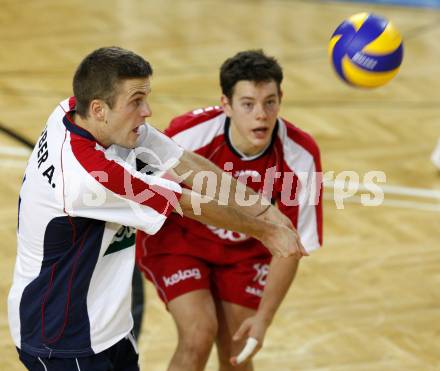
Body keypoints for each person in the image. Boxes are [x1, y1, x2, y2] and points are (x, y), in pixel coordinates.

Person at [7, 47, 306, 371]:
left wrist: (265, 211)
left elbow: (186, 163)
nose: (147, 111)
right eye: (136, 101)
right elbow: (186, 202)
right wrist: (266, 232)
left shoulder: (75, 112)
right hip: (63, 339)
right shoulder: (91, 178)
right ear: (99, 109)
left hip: (108, 328)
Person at [136, 50, 323, 371]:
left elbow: (291, 245)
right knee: (198, 334)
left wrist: (264, 319)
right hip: (180, 241)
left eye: (270, 102)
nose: (261, 115)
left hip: (245, 253)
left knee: (239, 352)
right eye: (248, 104)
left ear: (281, 98)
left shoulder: (300, 155)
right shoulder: (189, 133)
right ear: (226, 104)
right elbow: (152, 195)